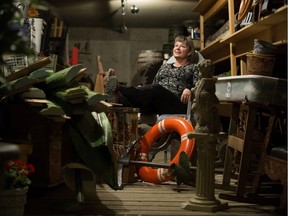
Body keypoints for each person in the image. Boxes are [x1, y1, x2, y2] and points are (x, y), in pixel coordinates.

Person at [106, 35, 200, 116]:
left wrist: (190, 89)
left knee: (157, 88)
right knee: (136, 101)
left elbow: (199, 86)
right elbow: (154, 84)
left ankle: (120, 88)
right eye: (176, 46)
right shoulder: (165, 67)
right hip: (159, 102)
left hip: (176, 104)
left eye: (182, 46)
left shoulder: (193, 67)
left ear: (190, 52)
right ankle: (116, 98)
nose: (177, 48)